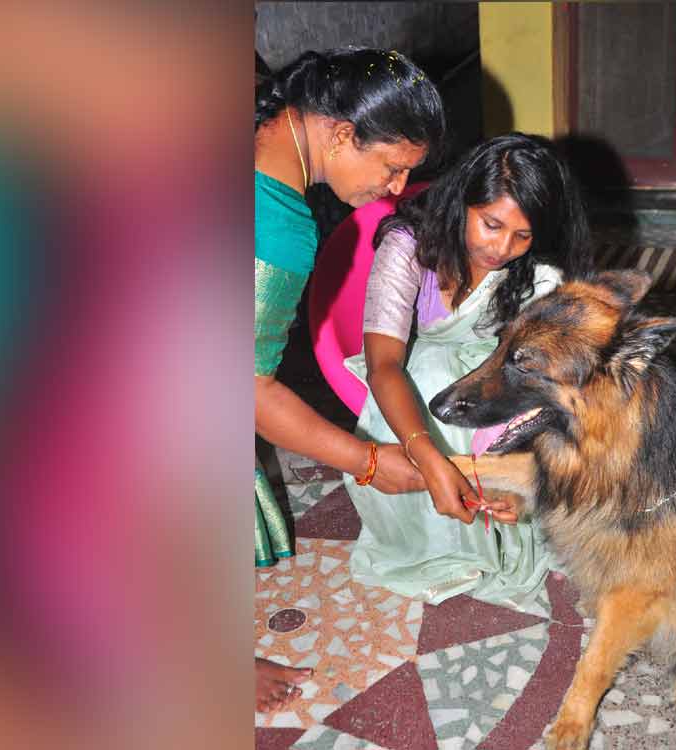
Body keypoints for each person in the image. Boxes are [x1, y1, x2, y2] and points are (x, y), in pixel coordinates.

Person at [253, 47, 444, 711]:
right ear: (341, 134)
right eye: (392, 167)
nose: (395, 189)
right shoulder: (275, 225)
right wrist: (367, 462)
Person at [343, 133, 593, 613]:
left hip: (504, 372)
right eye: (491, 224)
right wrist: (428, 458)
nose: (502, 248)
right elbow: (384, 365)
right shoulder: (409, 247)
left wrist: (516, 480)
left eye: (522, 235)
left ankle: (506, 509)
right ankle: (435, 542)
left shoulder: (540, 272)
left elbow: (548, 374)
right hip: (414, 371)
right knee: (436, 378)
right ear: (463, 203)